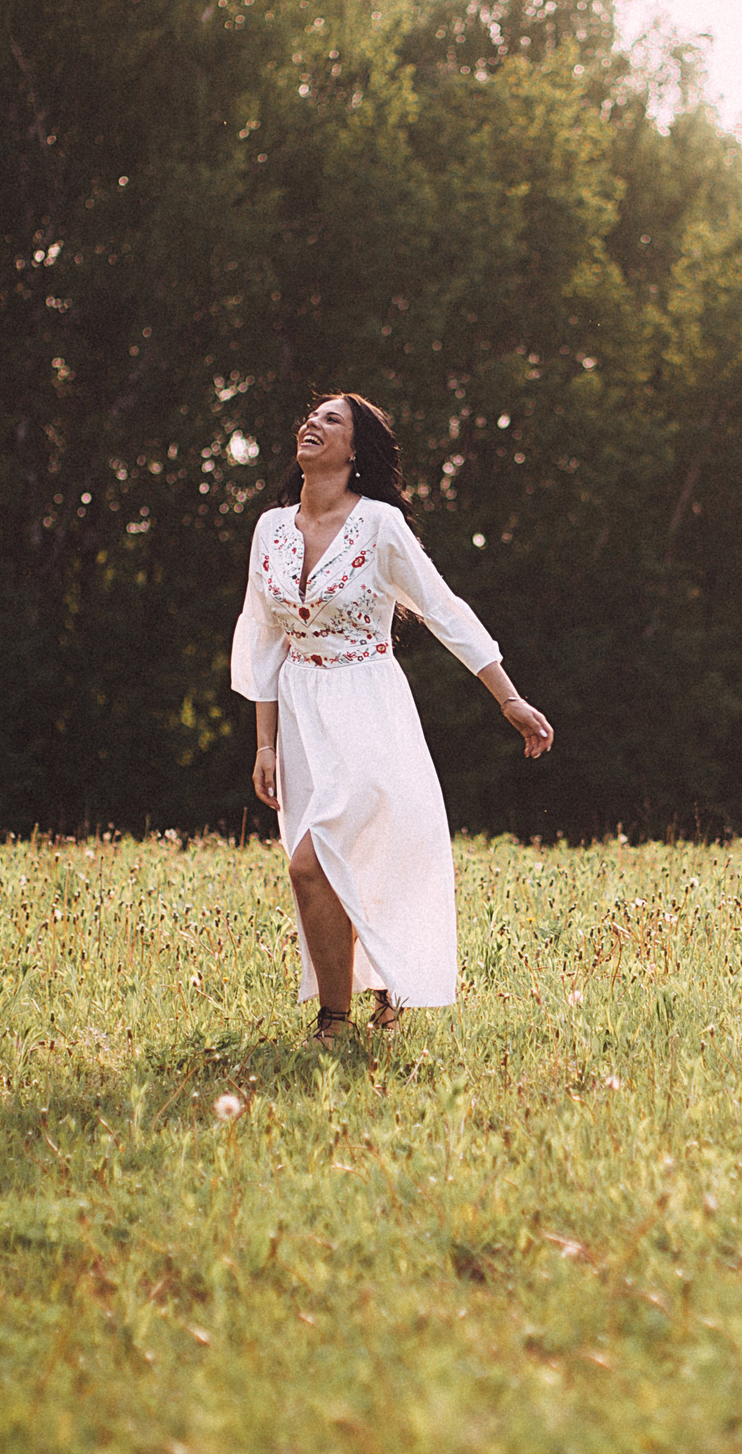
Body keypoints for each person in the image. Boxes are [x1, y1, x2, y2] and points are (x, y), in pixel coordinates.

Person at [230, 393, 554, 1045]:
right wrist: (264, 743)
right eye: (311, 415)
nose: (312, 424)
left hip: (367, 703)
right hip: (299, 709)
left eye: (332, 420)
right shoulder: (271, 528)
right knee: (332, 857)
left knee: (315, 861)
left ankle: (335, 1018)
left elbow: (442, 608)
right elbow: (261, 635)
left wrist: (508, 696)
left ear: (356, 451)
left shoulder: (378, 525)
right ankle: (365, 998)